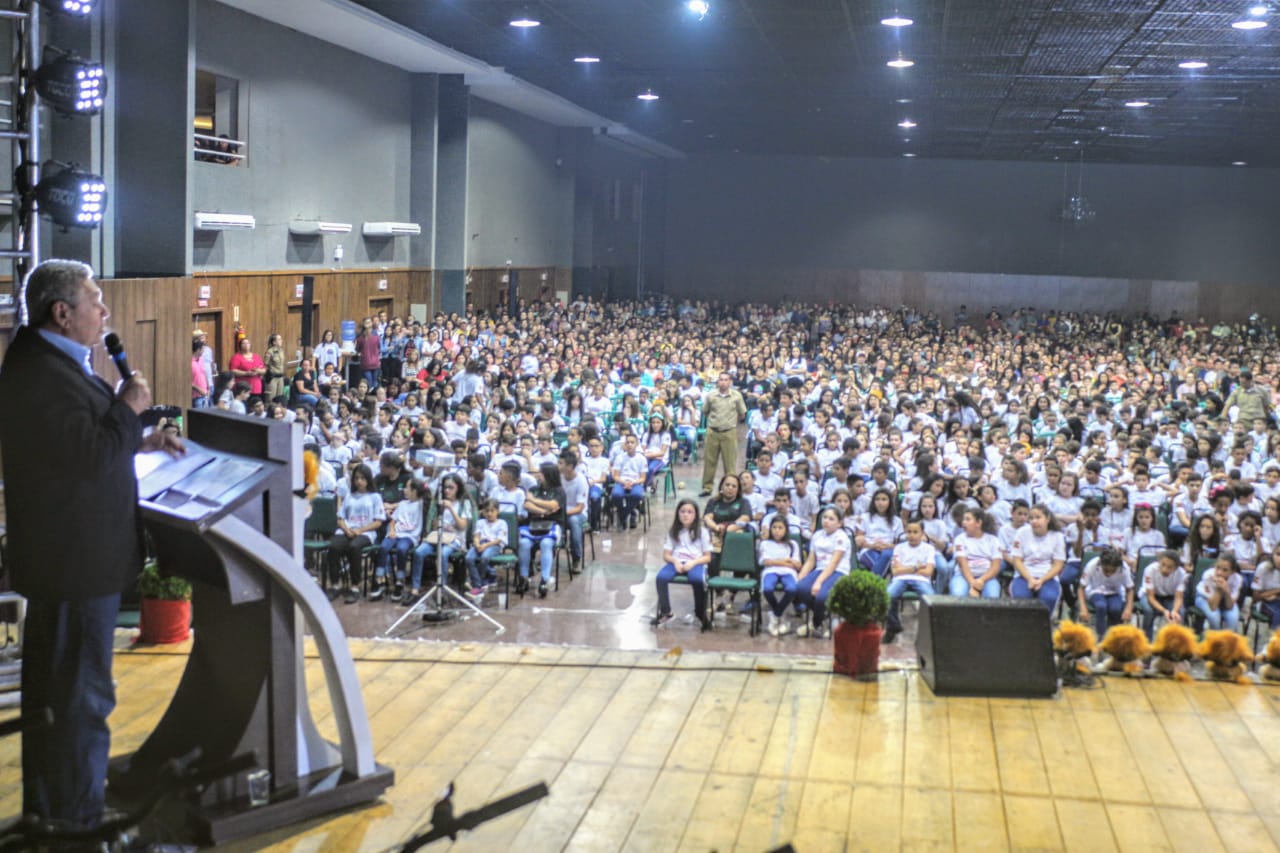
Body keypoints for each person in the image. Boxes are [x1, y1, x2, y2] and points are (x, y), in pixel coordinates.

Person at [0, 259, 184, 834]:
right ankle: (77, 824)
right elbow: (86, 457)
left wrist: (141, 436)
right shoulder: (42, 374)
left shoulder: (47, 362)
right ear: (63, 311)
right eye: (95, 300)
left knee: (57, 698)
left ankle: (51, 812)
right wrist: (130, 408)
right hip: (75, 563)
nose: (104, 311)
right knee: (80, 699)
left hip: (67, 558)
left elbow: (79, 449)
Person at [651, 499, 713, 630]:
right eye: (683, 511)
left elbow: (707, 557)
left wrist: (693, 562)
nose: (686, 515)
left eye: (690, 512)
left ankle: (700, 613)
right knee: (661, 578)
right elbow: (666, 555)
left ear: (695, 515)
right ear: (678, 514)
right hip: (677, 561)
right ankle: (666, 612)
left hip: (696, 562)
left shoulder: (703, 532)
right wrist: (675, 561)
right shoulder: (673, 531)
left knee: (697, 579)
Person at [795, 507, 851, 638]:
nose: (826, 521)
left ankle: (815, 623)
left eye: (831, 519)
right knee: (800, 588)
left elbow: (834, 563)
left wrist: (818, 582)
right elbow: (810, 561)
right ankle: (824, 617)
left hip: (838, 571)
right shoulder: (817, 535)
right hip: (820, 569)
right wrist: (800, 576)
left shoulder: (842, 537)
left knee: (821, 597)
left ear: (839, 523)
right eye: (825, 517)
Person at [883, 518, 937, 644]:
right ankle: (893, 626)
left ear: (922, 533)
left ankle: (928, 631)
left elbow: (928, 572)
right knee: (888, 595)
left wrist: (904, 568)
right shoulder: (899, 548)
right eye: (909, 532)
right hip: (900, 579)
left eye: (915, 532)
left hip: (921, 580)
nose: (911, 535)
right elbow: (895, 572)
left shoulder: (929, 549)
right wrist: (916, 567)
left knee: (931, 598)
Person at [519, 462, 565, 599]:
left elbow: (554, 504)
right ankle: (524, 577)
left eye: (541, 472)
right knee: (524, 543)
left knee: (546, 544)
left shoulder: (559, 491)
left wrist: (536, 501)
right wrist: (544, 512)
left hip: (553, 524)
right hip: (533, 524)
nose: (538, 474)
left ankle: (544, 579)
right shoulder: (534, 489)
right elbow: (527, 503)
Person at [699, 371, 747, 497]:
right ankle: (707, 487)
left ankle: (730, 489)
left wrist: (731, 422)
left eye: (726, 380)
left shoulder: (736, 396)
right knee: (710, 462)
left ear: (730, 382)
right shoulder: (711, 395)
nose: (723, 382)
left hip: (729, 432)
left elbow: (742, 414)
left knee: (730, 463)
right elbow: (705, 411)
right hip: (713, 431)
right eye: (721, 379)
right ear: (718, 381)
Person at [758, 515, 802, 636]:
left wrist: (781, 562)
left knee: (791, 589)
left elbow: (797, 565)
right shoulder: (765, 544)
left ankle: (776, 613)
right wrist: (787, 561)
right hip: (770, 571)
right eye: (774, 527)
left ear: (786, 530)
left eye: (780, 528)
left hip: (788, 572)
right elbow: (766, 562)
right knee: (767, 589)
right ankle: (780, 615)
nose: (777, 530)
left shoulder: (792, 544)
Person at [1077, 547, 1134, 641]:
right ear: (1101, 564)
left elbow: (1130, 589)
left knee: (1116, 609)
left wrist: (1128, 609)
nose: (1109, 574)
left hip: (1115, 592)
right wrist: (1083, 608)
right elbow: (1081, 588)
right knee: (1101, 606)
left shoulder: (1124, 568)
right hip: (1095, 590)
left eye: (1113, 571)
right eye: (1106, 570)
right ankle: (1101, 636)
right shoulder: (1092, 565)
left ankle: (1112, 636)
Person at [263, 333, 286, 402]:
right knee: (270, 399)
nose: (281, 341)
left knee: (279, 398)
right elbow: (265, 364)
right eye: (279, 339)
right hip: (272, 378)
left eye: (281, 339)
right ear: (274, 342)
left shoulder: (281, 351)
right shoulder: (269, 352)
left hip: (280, 377)